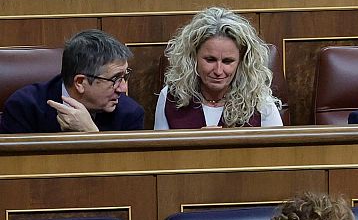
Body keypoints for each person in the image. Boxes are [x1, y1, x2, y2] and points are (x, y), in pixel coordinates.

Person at [157, 7, 285, 128]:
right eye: (210, 60)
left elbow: (278, 151)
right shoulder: (170, 97)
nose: (218, 71)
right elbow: (160, 150)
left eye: (227, 61)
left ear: (241, 62)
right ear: (193, 57)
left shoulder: (261, 102)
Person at [2, 30, 143, 133]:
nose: (123, 88)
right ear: (80, 82)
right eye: (115, 79)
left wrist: (92, 135)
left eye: (124, 76)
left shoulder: (130, 114)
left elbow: (126, 172)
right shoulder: (24, 108)